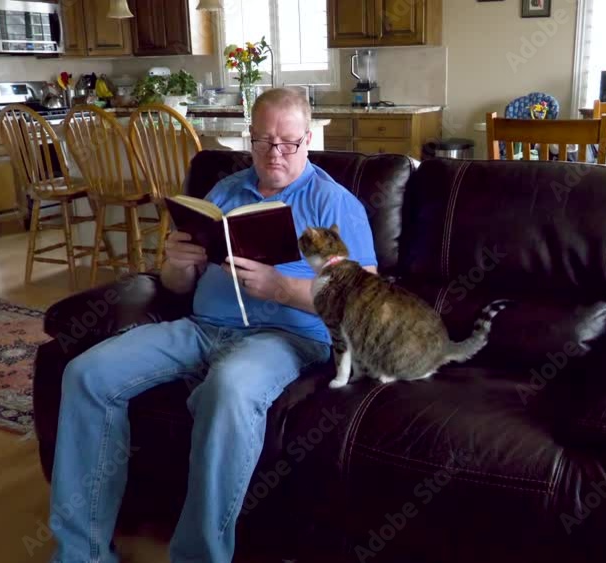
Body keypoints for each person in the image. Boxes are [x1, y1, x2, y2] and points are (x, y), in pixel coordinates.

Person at [47, 87, 379, 563]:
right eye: (263, 141)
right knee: (86, 374)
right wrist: (176, 264)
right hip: (201, 327)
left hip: (283, 338)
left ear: (308, 139)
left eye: (288, 142)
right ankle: (81, 554)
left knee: (229, 388)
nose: (275, 153)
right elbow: (175, 286)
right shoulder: (225, 191)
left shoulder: (334, 203)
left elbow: (361, 300)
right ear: (250, 137)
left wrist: (281, 288)